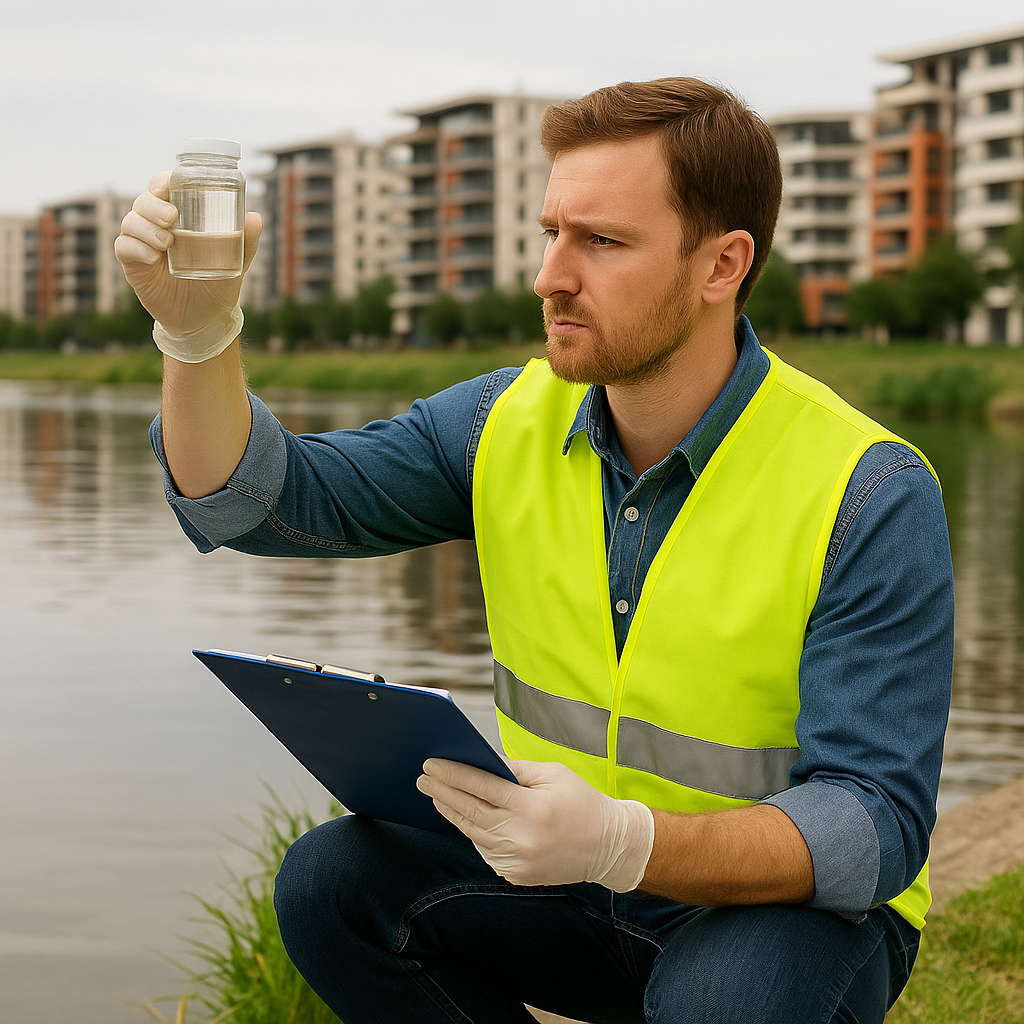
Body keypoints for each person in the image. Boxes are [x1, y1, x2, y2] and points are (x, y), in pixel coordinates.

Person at [115, 78, 954, 1024]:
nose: (551, 274)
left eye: (601, 241)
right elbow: (254, 506)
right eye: (552, 232)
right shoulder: (500, 423)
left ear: (722, 265)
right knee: (334, 881)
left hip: (779, 919)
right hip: (569, 881)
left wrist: (627, 844)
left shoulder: (870, 491)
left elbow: (873, 829)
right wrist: (195, 336)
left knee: (726, 1002)